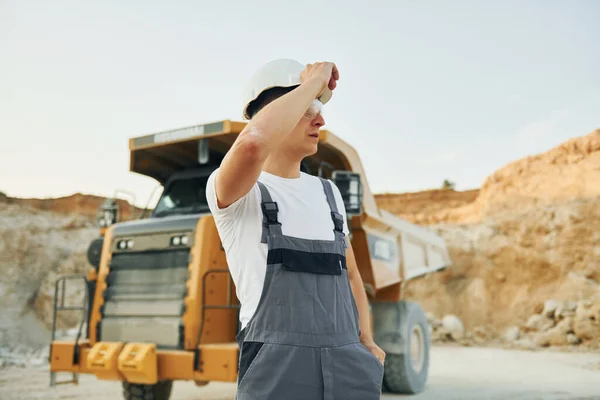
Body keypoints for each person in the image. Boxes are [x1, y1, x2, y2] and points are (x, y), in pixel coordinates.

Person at [206, 59, 386, 400]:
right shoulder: (238, 192)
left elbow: (349, 275)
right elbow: (252, 145)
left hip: (348, 368)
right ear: (273, 112)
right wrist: (315, 80)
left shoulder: (329, 192)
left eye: (318, 109)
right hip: (278, 373)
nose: (320, 119)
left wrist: (366, 341)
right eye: (308, 108)